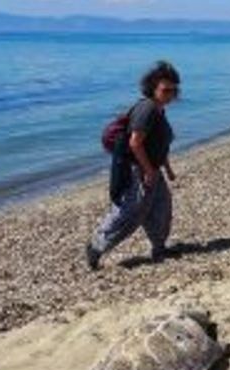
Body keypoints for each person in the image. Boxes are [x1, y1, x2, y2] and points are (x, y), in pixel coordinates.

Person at [86, 61, 180, 270]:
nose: (170, 94)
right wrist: (148, 171)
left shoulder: (159, 110)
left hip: (152, 169)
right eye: (165, 90)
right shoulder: (146, 109)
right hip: (139, 170)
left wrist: (168, 169)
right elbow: (135, 143)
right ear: (153, 88)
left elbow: (159, 145)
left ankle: (159, 248)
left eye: (173, 90)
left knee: (161, 208)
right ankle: (96, 247)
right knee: (130, 212)